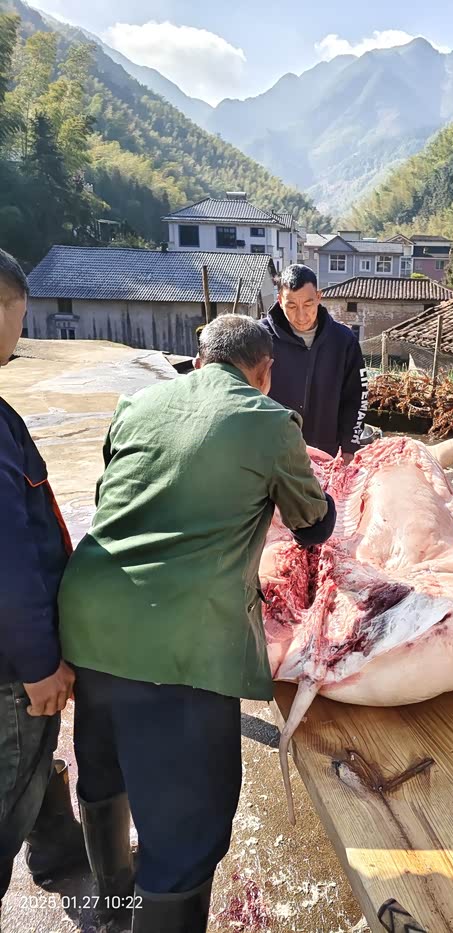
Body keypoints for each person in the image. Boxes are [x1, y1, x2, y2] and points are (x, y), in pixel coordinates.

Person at [58, 314, 336, 932]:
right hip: (181, 641)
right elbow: (313, 524)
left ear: (199, 359)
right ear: (265, 371)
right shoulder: (270, 421)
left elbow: (116, 499)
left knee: (104, 770)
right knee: (185, 831)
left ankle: (113, 906)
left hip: (90, 620)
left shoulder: (137, 404)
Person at [0, 249, 86, 912]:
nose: (21, 332)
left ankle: (58, 857)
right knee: (12, 782)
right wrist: (38, 665)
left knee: (33, 770)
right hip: (10, 675)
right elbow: (8, 555)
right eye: (18, 315)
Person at [260, 263, 367, 463]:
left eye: (308, 305)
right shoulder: (259, 338)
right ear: (280, 301)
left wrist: (350, 446)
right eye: (291, 306)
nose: (301, 315)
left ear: (318, 297)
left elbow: (357, 397)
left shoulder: (343, 341)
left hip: (326, 454)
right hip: (272, 454)